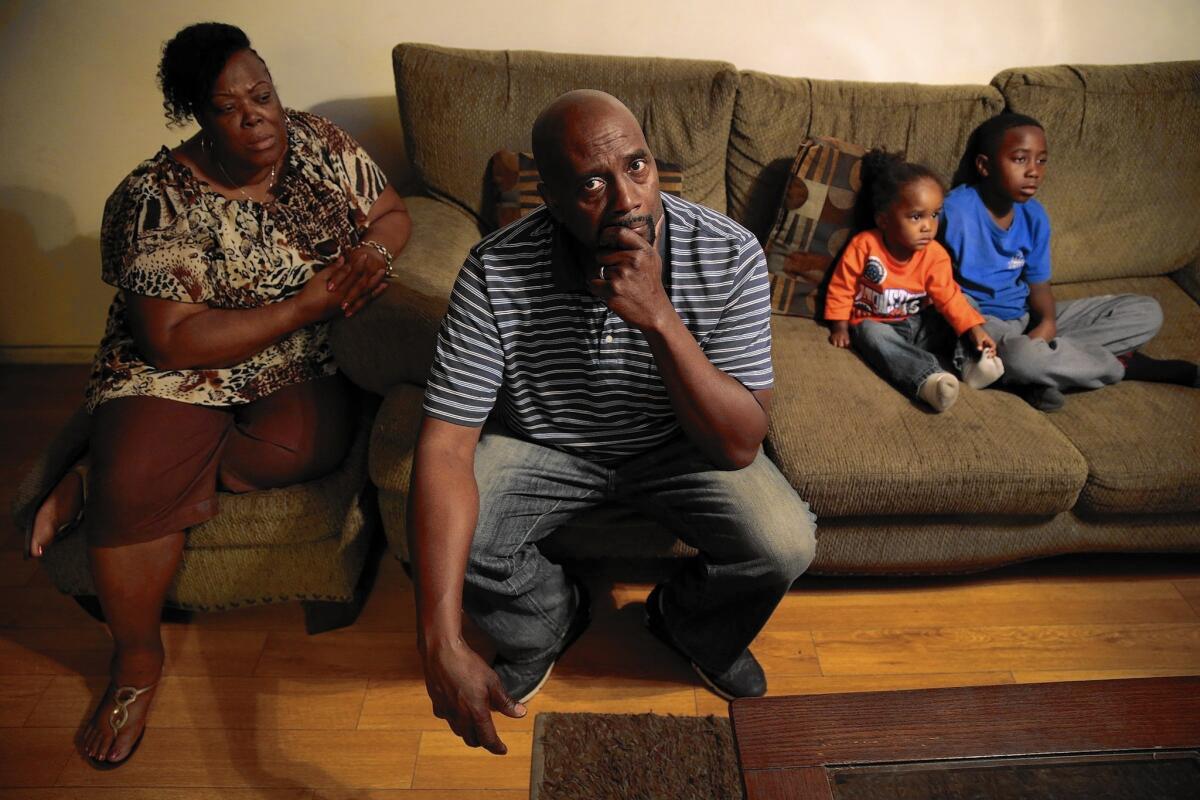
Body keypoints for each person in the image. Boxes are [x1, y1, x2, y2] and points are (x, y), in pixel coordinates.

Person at [27, 22, 411, 767]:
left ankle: (90, 479)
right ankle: (135, 664)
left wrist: (372, 251)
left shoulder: (320, 143)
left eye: (262, 95)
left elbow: (392, 212)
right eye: (229, 108)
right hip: (176, 367)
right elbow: (170, 338)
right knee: (137, 483)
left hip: (295, 359)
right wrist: (305, 304)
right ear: (197, 117)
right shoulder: (152, 198)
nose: (256, 116)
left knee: (305, 448)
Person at [408, 90, 816, 756]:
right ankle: (547, 621)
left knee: (784, 540)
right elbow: (446, 449)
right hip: (545, 447)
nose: (628, 200)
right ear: (553, 199)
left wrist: (659, 317)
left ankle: (689, 627)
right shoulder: (495, 269)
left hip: (675, 445)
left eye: (638, 167)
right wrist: (442, 641)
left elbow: (741, 443)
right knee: (448, 526)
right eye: (594, 183)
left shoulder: (729, 252)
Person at [941, 112, 1199, 411]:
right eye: (1020, 159)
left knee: (1146, 311)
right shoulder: (954, 212)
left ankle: (1041, 372)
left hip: (1026, 319)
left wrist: (1048, 324)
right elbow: (932, 279)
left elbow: (1039, 287)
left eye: (1041, 160)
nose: (1034, 171)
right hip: (984, 325)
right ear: (984, 166)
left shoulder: (1034, 216)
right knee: (1021, 358)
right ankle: (1122, 366)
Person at [825, 150, 1000, 412]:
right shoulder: (865, 246)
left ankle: (972, 363)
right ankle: (928, 380)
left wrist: (974, 329)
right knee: (869, 333)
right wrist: (839, 326)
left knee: (964, 302)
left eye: (935, 215)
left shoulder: (935, 255)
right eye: (916, 217)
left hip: (920, 325)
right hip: (881, 324)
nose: (928, 226)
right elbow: (842, 287)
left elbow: (948, 298)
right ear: (883, 219)